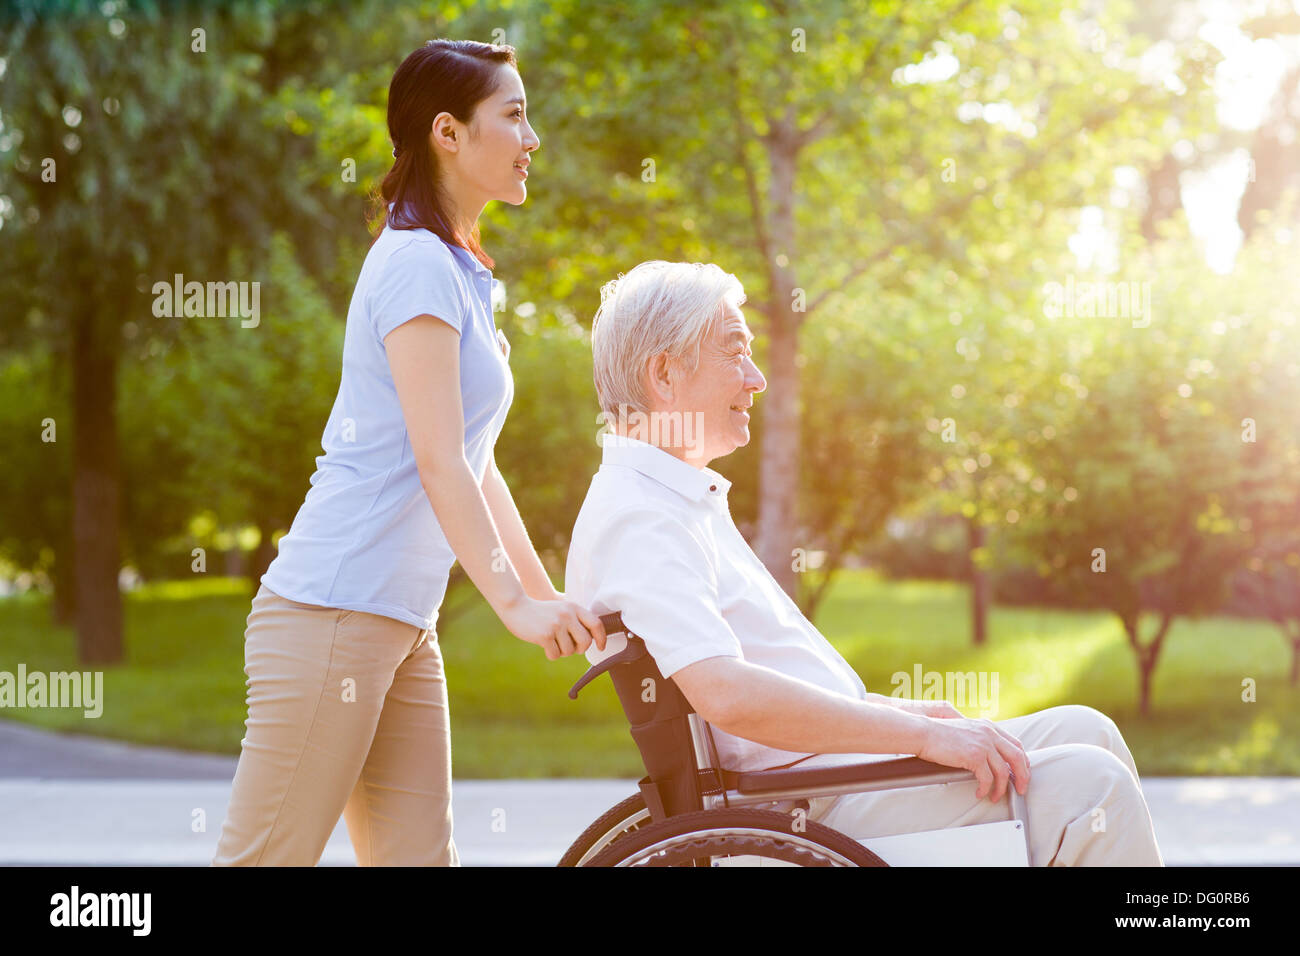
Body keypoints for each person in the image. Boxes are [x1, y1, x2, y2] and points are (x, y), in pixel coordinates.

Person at [564, 260, 1163, 866]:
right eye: (735, 352)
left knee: (1088, 732)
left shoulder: (672, 500)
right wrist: (925, 737)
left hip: (822, 783)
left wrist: (907, 712)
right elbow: (727, 695)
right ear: (664, 373)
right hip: (801, 811)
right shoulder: (642, 517)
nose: (756, 378)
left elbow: (776, 684)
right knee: (1093, 789)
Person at [213, 39, 605, 867]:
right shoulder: (417, 264)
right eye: (515, 115)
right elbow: (438, 462)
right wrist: (512, 608)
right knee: (265, 861)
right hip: (333, 612)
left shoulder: (461, 271)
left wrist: (545, 600)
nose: (533, 139)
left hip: (398, 622)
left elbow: (474, 457)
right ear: (448, 134)